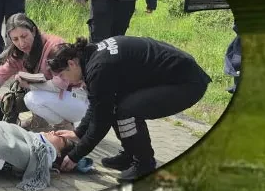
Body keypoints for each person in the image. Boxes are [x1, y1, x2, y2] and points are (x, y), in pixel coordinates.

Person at [48, 36, 211, 181]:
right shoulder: (91, 56)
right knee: (116, 106)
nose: (65, 81)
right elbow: (99, 104)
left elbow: (101, 121)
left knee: (125, 112)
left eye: (62, 75)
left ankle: (144, 164)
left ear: (71, 63)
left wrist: (76, 155)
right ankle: (130, 154)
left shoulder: (98, 68)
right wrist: (79, 133)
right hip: (177, 75)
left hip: (185, 84)